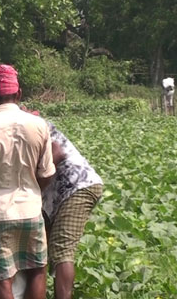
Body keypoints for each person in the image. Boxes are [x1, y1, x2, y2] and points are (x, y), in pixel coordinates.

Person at [0, 64, 56, 299]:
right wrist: (32, 190)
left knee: (2, 278)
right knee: (37, 270)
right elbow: (46, 173)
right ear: (18, 94)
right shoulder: (39, 125)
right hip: (30, 209)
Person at [41, 121, 103, 299]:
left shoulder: (31, 124)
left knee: (62, 249)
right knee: (41, 246)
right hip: (56, 195)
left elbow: (57, 153)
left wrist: (37, 184)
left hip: (76, 186)